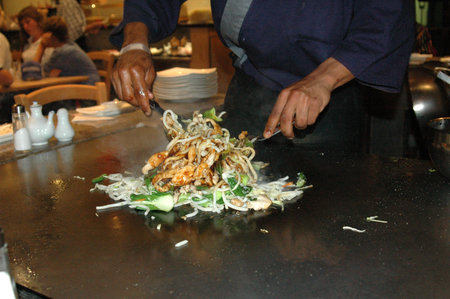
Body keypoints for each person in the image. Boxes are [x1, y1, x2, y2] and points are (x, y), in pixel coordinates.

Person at [110, 1, 415, 150]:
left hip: (333, 89)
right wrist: (135, 41)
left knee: (321, 223)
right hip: (252, 79)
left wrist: (324, 78)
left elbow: (388, 15)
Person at [34, 16, 100, 85]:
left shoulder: (62, 52)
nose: (41, 38)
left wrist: (42, 46)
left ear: (50, 36)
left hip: (87, 91)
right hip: (88, 87)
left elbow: (34, 72)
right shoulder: (69, 45)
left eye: (43, 35)